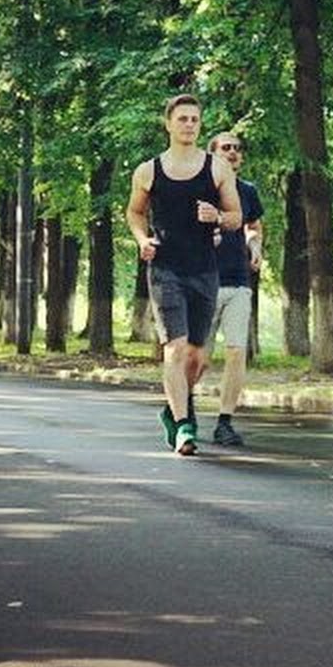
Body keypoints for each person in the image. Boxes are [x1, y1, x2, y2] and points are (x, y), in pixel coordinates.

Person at [126, 93, 242, 456]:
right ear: (168, 124)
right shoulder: (149, 170)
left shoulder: (217, 169)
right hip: (165, 270)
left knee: (197, 357)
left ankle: (171, 408)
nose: (189, 124)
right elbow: (134, 212)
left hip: (205, 269)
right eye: (183, 119)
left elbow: (236, 216)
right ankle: (184, 426)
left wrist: (218, 217)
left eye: (194, 119)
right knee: (175, 350)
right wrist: (143, 238)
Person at [205, 132, 264, 446]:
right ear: (212, 153)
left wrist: (255, 245)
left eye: (238, 149)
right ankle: (180, 410)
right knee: (197, 357)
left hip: (239, 282)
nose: (233, 152)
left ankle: (224, 422)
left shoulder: (248, 191)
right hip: (202, 281)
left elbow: (252, 226)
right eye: (226, 147)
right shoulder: (199, 189)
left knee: (236, 352)